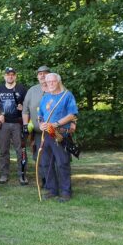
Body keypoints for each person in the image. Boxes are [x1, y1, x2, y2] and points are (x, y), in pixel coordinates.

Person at [38, 73, 79, 202]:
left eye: (52, 81)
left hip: (60, 134)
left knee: (62, 163)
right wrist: (41, 124)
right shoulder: (45, 96)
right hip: (46, 134)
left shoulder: (67, 95)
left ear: (58, 81)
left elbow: (72, 114)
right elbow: (40, 115)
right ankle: (52, 190)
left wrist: (55, 124)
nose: (49, 84)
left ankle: (66, 191)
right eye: (47, 81)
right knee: (46, 163)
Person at [0, 67, 28, 185]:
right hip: (3, 124)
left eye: (12, 74)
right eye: (8, 74)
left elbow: (27, 106)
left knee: (20, 150)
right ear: (4, 76)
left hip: (18, 123)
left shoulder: (22, 89)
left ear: (15, 76)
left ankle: (22, 174)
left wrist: (23, 108)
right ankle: (4, 174)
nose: (10, 76)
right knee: (3, 150)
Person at [22, 65, 51, 160]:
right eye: (40, 74)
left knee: (56, 158)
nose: (42, 76)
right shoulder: (32, 90)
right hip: (37, 133)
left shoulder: (56, 88)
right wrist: (26, 126)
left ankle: (56, 175)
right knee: (39, 158)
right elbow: (25, 110)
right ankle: (41, 175)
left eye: (45, 73)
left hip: (55, 132)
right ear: (37, 77)